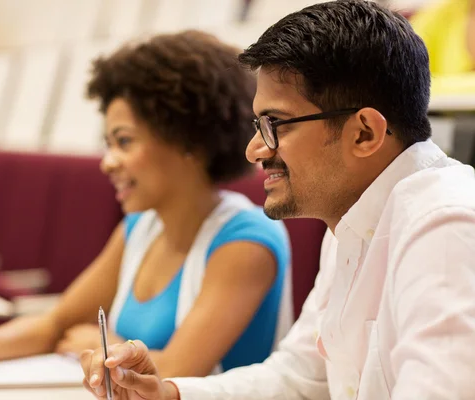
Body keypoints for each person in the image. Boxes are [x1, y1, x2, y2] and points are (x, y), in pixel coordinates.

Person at [80, 1, 475, 399]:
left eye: (275, 125)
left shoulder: (447, 226)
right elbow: (301, 378)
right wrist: (169, 393)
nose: (255, 150)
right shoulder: (350, 220)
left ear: (364, 134)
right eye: (257, 125)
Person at [0, 30, 293, 378]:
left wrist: (107, 347)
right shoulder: (140, 228)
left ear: (188, 142)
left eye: (124, 142)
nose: (108, 162)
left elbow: (180, 371)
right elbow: (56, 325)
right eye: (108, 143)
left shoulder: (248, 241)